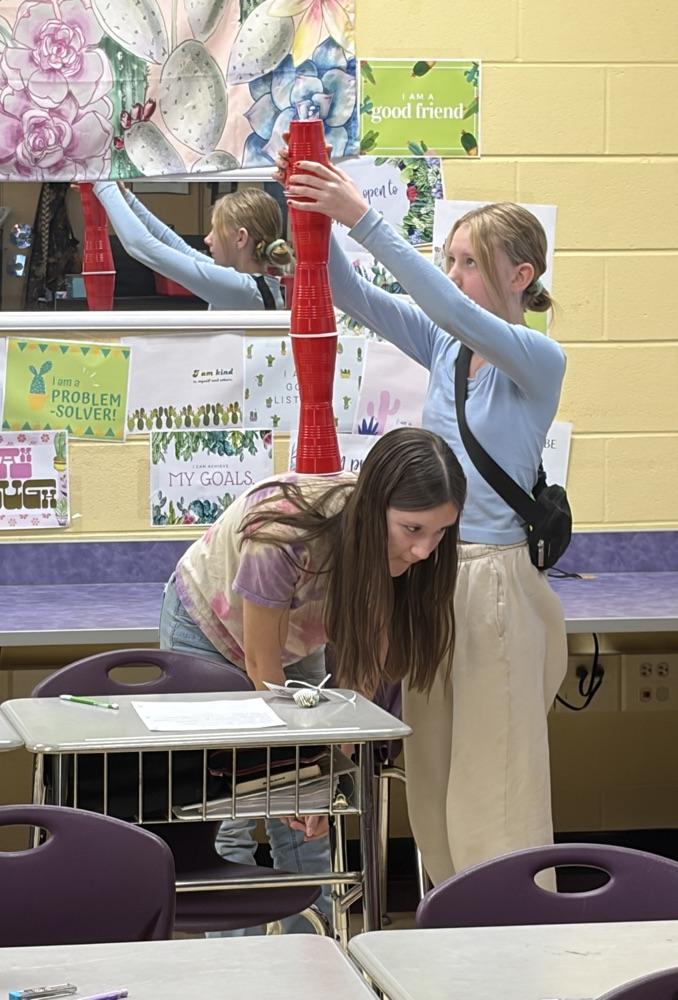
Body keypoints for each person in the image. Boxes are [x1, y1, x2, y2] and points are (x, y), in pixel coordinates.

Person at [277, 153, 568, 889]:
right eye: (451, 260)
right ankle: (451, 920)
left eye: (470, 262)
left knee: (496, 782)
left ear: (521, 276)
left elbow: (453, 310)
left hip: (494, 584)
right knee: (432, 774)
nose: (455, 273)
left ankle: (513, 927)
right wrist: (309, 205)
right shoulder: (447, 348)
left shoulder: (538, 359)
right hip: (432, 575)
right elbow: (350, 291)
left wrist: (364, 218)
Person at [159, 426, 466, 932]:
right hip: (212, 628)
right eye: (413, 529)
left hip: (295, 640)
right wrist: (286, 767)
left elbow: (360, 677)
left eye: (439, 533)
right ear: (374, 508)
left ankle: (313, 954)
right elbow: (262, 668)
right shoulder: (283, 531)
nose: (423, 551)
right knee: (232, 804)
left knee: (308, 814)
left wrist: (323, 776)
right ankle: (232, 962)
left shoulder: (401, 558)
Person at [92, 181, 292, 309]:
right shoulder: (253, 284)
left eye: (215, 230)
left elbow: (141, 246)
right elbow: (178, 246)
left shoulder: (242, 289)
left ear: (241, 238)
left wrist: (103, 185)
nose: (208, 239)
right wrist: (126, 196)